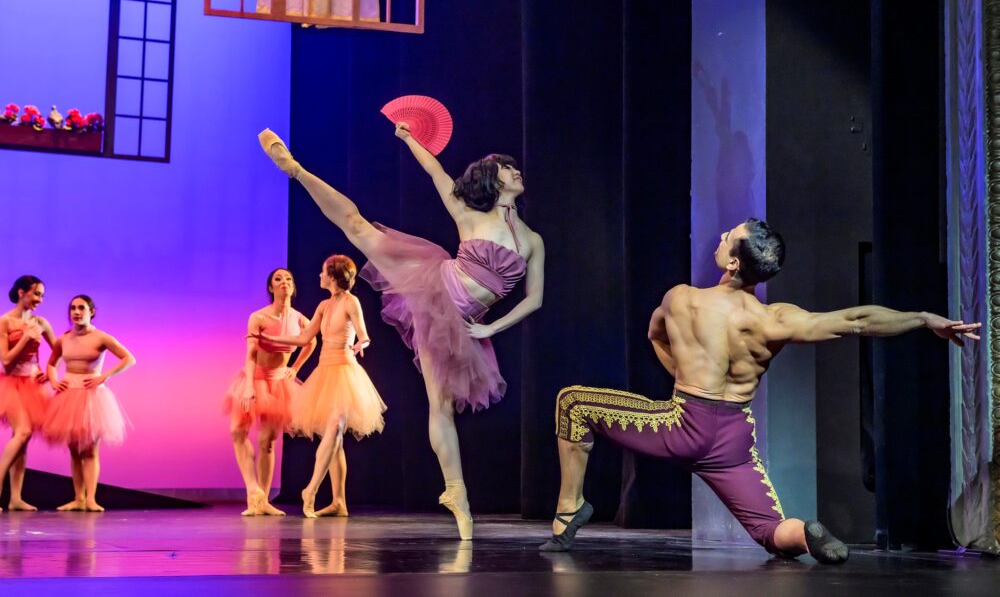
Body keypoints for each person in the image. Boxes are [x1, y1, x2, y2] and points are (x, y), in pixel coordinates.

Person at [543, 218, 980, 564]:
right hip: (733, 440)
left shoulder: (682, 299)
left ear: (733, 263)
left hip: (681, 426)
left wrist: (682, 376)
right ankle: (803, 534)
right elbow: (857, 321)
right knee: (769, 530)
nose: (720, 238)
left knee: (573, 403)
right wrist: (924, 318)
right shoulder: (774, 319)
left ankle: (569, 510)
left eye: (727, 237)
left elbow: (654, 335)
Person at [257, 121, 544, 538]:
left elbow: (534, 299)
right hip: (432, 285)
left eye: (515, 167)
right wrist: (409, 138)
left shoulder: (533, 241)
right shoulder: (469, 214)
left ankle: (455, 494)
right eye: (507, 167)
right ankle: (296, 170)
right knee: (357, 226)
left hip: (456, 324)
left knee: (441, 407)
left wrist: (490, 330)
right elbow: (435, 171)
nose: (516, 171)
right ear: (492, 178)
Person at [263, 254, 385, 518]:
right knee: (335, 438)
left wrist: (360, 345)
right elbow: (304, 338)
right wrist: (270, 339)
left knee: (335, 427)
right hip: (325, 372)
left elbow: (364, 335)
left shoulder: (351, 302)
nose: (319, 275)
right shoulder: (323, 305)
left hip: (345, 371)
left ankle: (311, 490)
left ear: (332, 276)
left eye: (322, 272)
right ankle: (339, 502)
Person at [224, 268, 315, 516]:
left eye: (288, 279)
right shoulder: (258, 317)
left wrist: (295, 368)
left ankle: (262, 501)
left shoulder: (300, 319)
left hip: (279, 383)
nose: (284, 282)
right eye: (278, 279)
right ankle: (252, 490)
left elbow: (311, 341)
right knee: (237, 430)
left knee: (268, 442)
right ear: (270, 287)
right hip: (254, 378)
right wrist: (249, 386)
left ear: (293, 287)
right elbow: (251, 353)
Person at [43, 295, 136, 512]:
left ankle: (91, 499)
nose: (76, 312)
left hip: (91, 398)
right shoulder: (63, 339)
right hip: (68, 397)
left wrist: (105, 376)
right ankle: (78, 498)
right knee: (74, 451)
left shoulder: (101, 337)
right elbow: (51, 364)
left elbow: (129, 358)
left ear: (91, 312)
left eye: (81, 308)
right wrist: (54, 381)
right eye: (73, 308)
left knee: (91, 450)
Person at [0, 275, 56, 512]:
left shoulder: (40, 322)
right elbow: (6, 361)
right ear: (21, 292)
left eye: (42, 295)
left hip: (33, 384)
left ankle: (15, 498)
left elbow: (59, 350)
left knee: (22, 440)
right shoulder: (5, 322)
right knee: (22, 432)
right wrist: (25, 338)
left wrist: (49, 373)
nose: (39, 299)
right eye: (36, 293)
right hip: (11, 383)